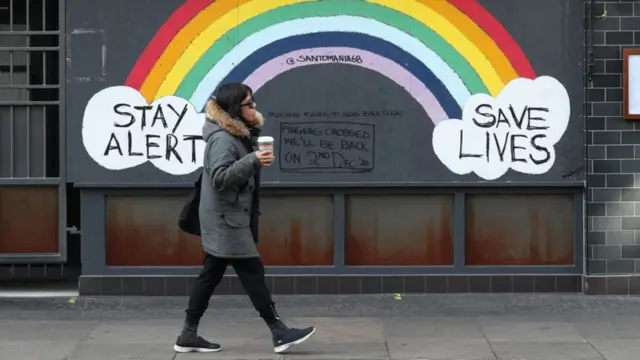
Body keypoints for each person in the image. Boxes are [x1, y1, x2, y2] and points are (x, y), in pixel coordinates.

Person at [173, 83, 316, 354]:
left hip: (229, 218)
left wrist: (252, 158)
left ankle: (187, 334)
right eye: (249, 103)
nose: (255, 107)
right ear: (234, 109)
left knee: (211, 274)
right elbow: (219, 179)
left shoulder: (237, 135)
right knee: (252, 272)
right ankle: (278, 331)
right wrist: (253, 161)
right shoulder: (223, 140)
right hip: (227, 220)